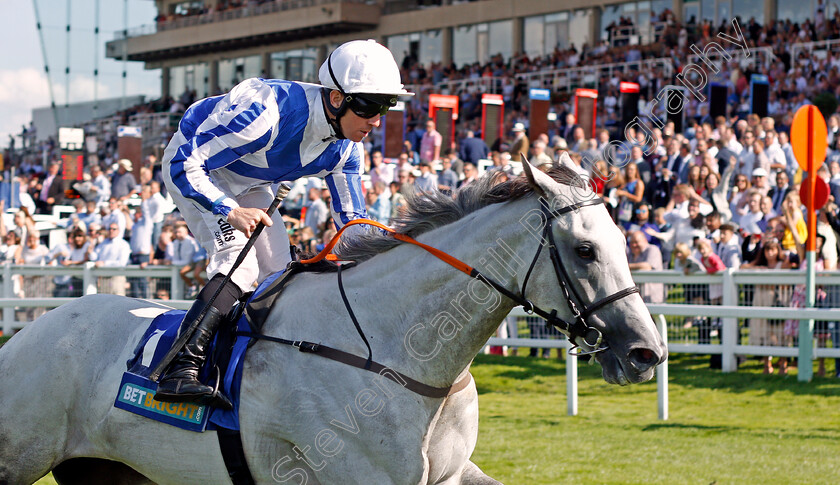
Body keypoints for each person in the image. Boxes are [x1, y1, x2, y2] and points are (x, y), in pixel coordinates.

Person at [157, 39, 412, 408]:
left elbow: (353, 223)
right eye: (371, 105)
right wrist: (229, 210)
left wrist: (391, 253)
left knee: (279, 272)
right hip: (200, 168)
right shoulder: (265, 114)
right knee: (239, 264)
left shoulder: (347, 149)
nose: (377, 120)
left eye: (386, 107)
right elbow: (186, 163)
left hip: (252, 182)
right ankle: (181, 368)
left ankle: (253, 367)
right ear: (337, 98)